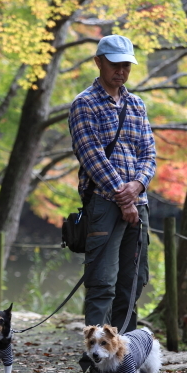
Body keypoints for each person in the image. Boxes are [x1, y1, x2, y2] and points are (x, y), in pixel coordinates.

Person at [68, 34, 156, 333]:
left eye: (126, 66)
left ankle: (125, 355)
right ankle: (98, 361)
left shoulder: (136, 105)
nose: (121, 71)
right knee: (102, 282)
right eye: (115, 64)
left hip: (139, 204)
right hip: (104, 205)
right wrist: (125, 197)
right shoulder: (84, 104)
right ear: (99, 62)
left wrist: (139, 185)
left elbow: (149, 153)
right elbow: (92, 157)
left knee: (133, 281)